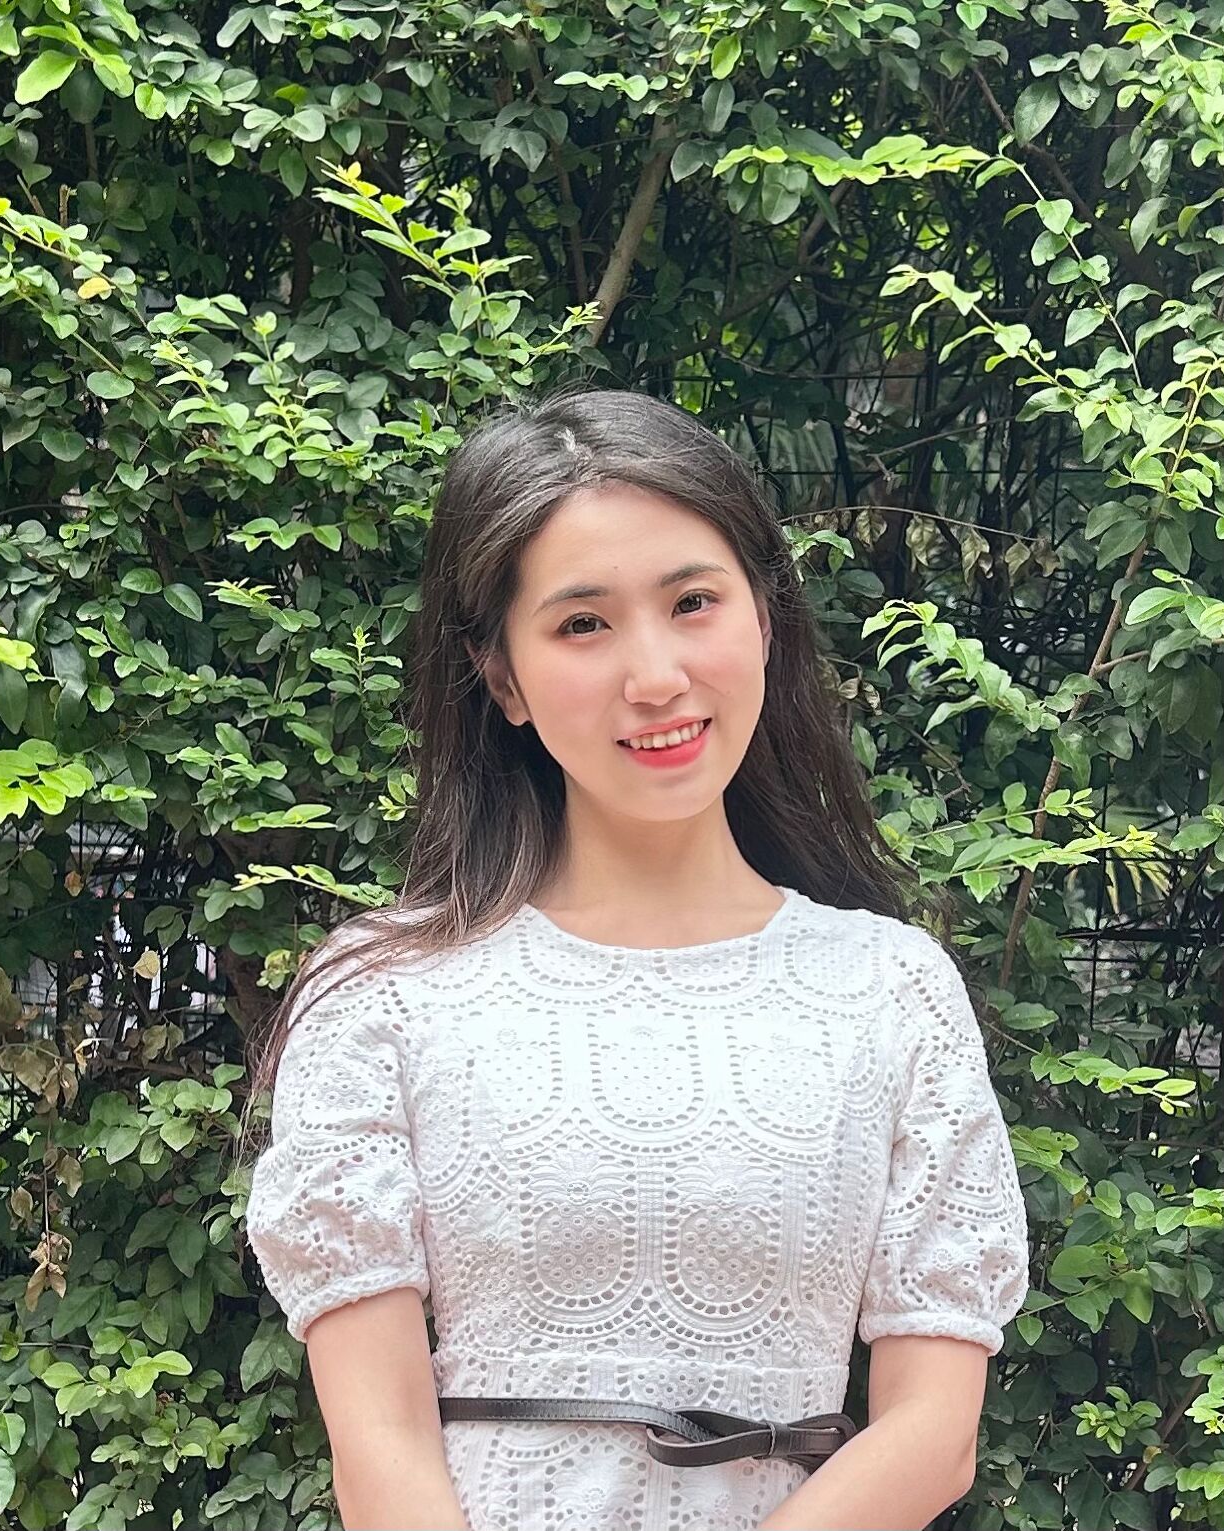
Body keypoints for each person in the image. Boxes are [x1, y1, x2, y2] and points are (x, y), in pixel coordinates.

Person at [242, 385, 1030, 1531]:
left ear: (763, 618)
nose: (653, 674)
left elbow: (932, 1432)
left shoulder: (891, 990)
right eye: (582, 624)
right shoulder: (382, 1000)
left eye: (691, 602)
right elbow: (379, 1448)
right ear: (500, 677)